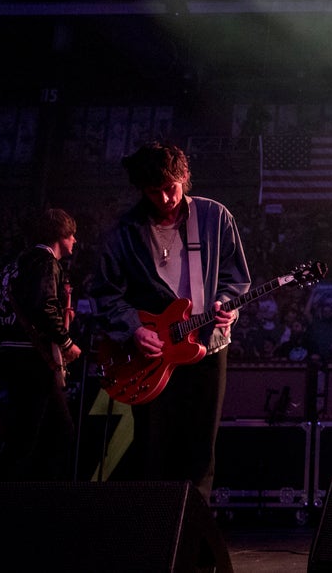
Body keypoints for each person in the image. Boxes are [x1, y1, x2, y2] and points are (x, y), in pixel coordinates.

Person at [92, 142, 250, 500]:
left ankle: (194, 540)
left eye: (171, 187)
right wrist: (134, 327)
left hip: (207, 346)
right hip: (153, 354)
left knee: (200, 448)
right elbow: (104, 293)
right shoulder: (125, 230)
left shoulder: (215, 216)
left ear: (185, 177)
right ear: (141, 190)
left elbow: (235, 278)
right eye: (154, 192)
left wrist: (227, 303)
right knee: (154, 447)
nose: (165, 199)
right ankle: (156, 533)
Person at [0, 208, 83, 479]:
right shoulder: (45, 262)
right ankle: (15, 498)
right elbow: (44, 306)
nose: (75, 241)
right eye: (72, 235)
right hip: (31, 357)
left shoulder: (14, 264)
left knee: (42, 429)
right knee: (41, 433)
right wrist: (66, 343)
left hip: (10, 352)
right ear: (61, 235)